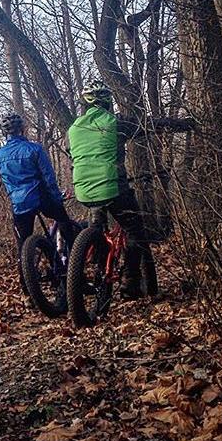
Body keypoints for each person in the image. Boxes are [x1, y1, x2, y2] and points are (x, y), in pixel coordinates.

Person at [68, 79, 154, 299]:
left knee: (98, 227)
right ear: (107, 102)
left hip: (84, 191)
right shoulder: (115, 122)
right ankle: (130, 281)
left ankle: (98, 270)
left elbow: (74, 154)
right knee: (135, 231)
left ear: (84, 103)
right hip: (113, 187)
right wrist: (184, 124)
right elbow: (147, 126)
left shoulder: (74, 129)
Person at [0, 112, 77, 262]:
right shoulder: (34, 149)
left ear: (4, 133)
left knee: (23, 248)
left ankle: (26, 283)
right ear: (23, 129)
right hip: (41, 197)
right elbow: (49, 177)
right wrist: (57, 196)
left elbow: (6, 181)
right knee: (63, 221)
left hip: (18, 203)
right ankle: (76, 261)